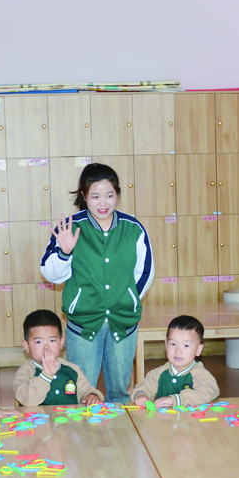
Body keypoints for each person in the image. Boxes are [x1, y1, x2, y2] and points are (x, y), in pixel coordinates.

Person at [40, 163, 154, 403]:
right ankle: (84, 430)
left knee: (120, 393)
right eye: (95, 196)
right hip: (83, 322)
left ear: (117, 194)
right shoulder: (70, 227)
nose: (103, 203)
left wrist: (126, 297)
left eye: (110, 195)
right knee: (82, 392)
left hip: (122, 321)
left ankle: (119, 428)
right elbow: (50, 274)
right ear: (84, 196)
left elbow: (144, 271)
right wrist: (64, 252)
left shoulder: (133, 228)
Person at [13, 309, 103, 407]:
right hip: (37, 417)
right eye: (38, 342)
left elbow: (86, 390)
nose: (46, 347)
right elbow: (27, 401)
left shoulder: (72, 369)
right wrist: (46, 375)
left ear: (61, 342)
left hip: (68, 417)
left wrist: (91, 396)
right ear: (26, 346)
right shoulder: (25, 372)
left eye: (52, 340)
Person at [128, 315, 219, 408]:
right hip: (164, 417)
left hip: (192, 417)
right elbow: (144, 388)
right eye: (173, 344)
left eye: (186, 345)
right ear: (166, 345)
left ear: (198, 349)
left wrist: (176, 400)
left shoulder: (201, 374)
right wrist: (141, 395)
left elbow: (207, 392)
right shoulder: (158, 373)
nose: (178, 351)